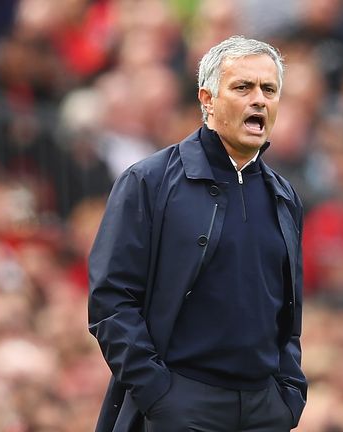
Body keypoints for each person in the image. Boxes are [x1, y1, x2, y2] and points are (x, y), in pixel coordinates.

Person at [87, 36, 306, 432]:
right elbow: (111, 300)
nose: (259, 99)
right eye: (243, 87)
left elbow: (288, 314)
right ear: (207, 99)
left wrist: (289, 394)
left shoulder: (284, 195)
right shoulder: (148, 181)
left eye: (269, 89)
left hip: (264, 410)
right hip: (181, 403)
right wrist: (159, 394)